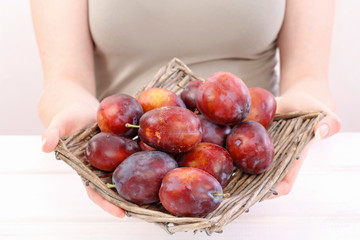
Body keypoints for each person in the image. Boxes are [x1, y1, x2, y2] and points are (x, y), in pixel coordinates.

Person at [31, 0, 341, 218]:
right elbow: (64, 80)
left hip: (266, 201)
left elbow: (308, 78)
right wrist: (72, 109)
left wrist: (304, 114)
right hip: (120, 171)